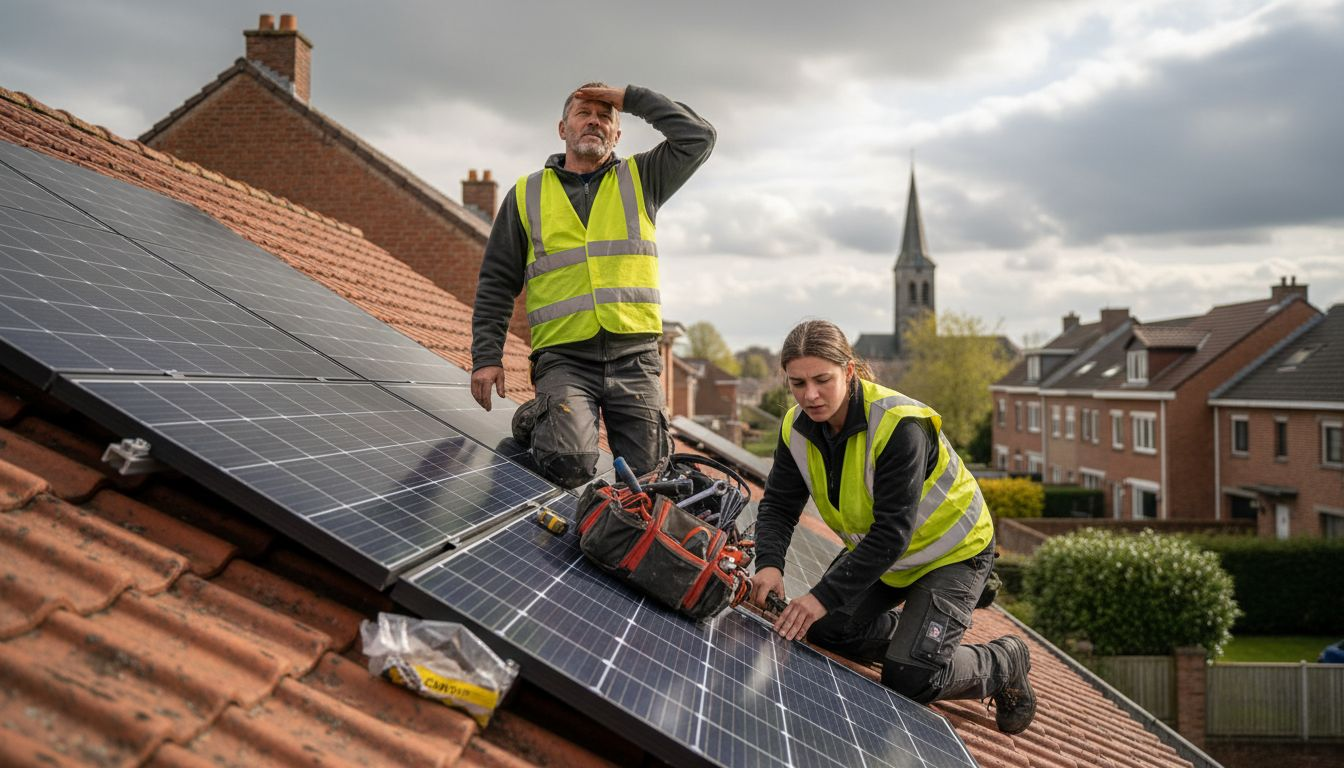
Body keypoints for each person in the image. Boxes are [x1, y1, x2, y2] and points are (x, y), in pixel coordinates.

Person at [750, 319, 1036, 735]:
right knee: (824, 629)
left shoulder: (899, 425)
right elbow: (777, 504)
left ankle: (1004, 659)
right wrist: (769, 563)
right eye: (797, 383)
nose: (809, 395)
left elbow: (892, 532)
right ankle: (919, 639)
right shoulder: (795, 429)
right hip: (885, 556)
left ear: (848, 371)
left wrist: (818, 596)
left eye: (821, 380)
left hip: (952, 552)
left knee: (909, 678)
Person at [470, 83, 714, 488]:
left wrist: (630, 99)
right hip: (565, 359)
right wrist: (486, 356)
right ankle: (540, 417)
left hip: (635, 358)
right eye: (584, 113)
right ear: (562, 127)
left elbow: (699, 137)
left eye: (606, 116)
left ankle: (551, 416)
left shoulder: (643, 178)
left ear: (618, 134)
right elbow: (496, 280)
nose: (595, 121)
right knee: (569, 463)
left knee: (650, 481)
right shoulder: (526, 195)